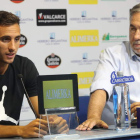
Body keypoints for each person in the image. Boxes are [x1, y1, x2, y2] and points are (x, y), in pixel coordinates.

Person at [0, 11, 68, 138]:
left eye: (17, 39)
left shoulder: (24, 66)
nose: (13, 47)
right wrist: (20, 131)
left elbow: (42, 112)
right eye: (5, 39)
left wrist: (53, 121)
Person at [76, 3, 140, 131]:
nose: (136, 36)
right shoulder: (112, 55)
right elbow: (101, 86)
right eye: (133, 28)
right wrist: (94, 116)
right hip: (120, 133)